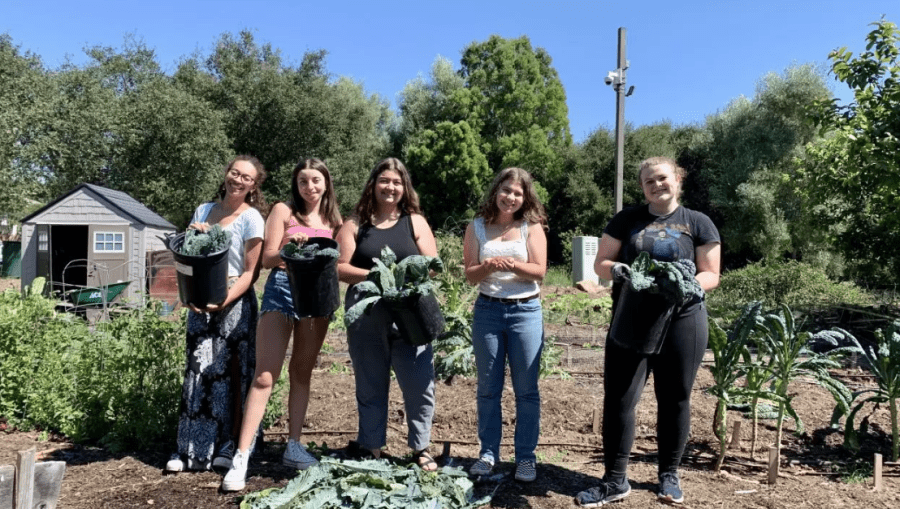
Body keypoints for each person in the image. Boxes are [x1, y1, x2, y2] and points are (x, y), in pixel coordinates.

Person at [575, 157, 720, 506]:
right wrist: (620, 270)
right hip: (632, 318)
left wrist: (690, 286)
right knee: (620, 399)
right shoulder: (627, 219)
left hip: (683, 319)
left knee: (675, 398)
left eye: (662, 178)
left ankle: (669, 474)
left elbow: (711, 273)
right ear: (642, 188)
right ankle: (614, 480)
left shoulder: (698, 222)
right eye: (648, 182)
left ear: (678, 180)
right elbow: (601, 264)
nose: (656, 185)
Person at [222, 158, 342, 491]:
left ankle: (293, 445)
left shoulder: (334, 219)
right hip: (282, 292)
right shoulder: (283, 211)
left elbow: (340, 261)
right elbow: (268, 257)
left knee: (301, 372)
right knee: (265, 375)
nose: (310, 187)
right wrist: (292, 247)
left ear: (326, 183)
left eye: (316, 180)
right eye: (304, 181)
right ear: (297, 185)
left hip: (317, 300)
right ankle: (241, 456)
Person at [335, 157, 439, 471]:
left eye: (396, 182)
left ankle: (421, 447)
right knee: (370, 382)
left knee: (420, 382)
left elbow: (431, 264)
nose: (390, 187)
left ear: (404, 187)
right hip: (367, 313)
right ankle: (372, 446)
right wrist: (376, 278)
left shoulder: (414, 222)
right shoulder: (355, 224)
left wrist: (404, 284)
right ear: (374, 185)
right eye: (384, 181)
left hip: (410, 312)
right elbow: (340, 267)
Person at [165, 155, 267, 473]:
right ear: (225, 175)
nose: (238, 179)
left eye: (246, 177)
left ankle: (227, 445)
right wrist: (195, 235)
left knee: (232, 376)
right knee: (198, 373)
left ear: (253, 186)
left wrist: (223, 301)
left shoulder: (252, 219)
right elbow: (189, 255)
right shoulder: (204, 211)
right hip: (199, 302)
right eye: (234, 173)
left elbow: (252, 272)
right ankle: (189, 449)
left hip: (235, 304)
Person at [463, 167, 548, 483]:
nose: (510, 197)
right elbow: (471, 275)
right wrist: (486, 266)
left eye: (517, 192)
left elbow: (539, 272)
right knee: (488, 388)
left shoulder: (531, 227)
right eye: (506, 190)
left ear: (524, 197)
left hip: (525, 311)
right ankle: (488, 454)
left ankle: (525, 457)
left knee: (526, 390)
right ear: (495, 191)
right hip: (488, 311)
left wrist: (512, 265)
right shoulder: (477, 227)